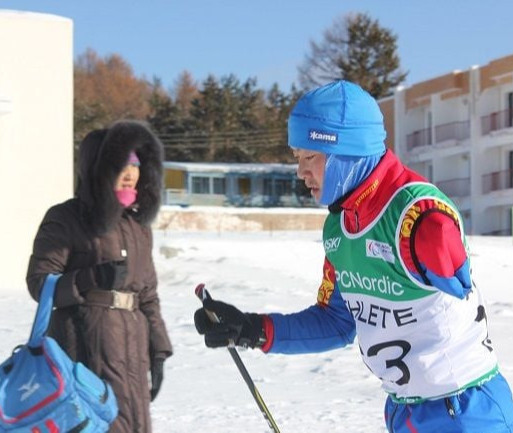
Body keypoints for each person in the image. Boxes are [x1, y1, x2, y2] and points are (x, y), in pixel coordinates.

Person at [194, 80, 513, 432]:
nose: (300, 172)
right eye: (297, 158)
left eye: (309, 157)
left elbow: (449, 256)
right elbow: (337, 321)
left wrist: (436, 238)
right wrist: (252, 328)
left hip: (466, 412)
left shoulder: (412, 214)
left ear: (346, 149)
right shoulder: (340, 228)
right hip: (404, 413)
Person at [27, 120, 173, 433]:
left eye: (137, 163)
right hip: (83, 351)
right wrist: (91, 278)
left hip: (133, 350)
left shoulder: (138, 228)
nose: (132, 171)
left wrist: (159, 350)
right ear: (100, 168)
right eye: (124, 163)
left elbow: (148, 295)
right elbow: (39, 283)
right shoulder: (65, 217)